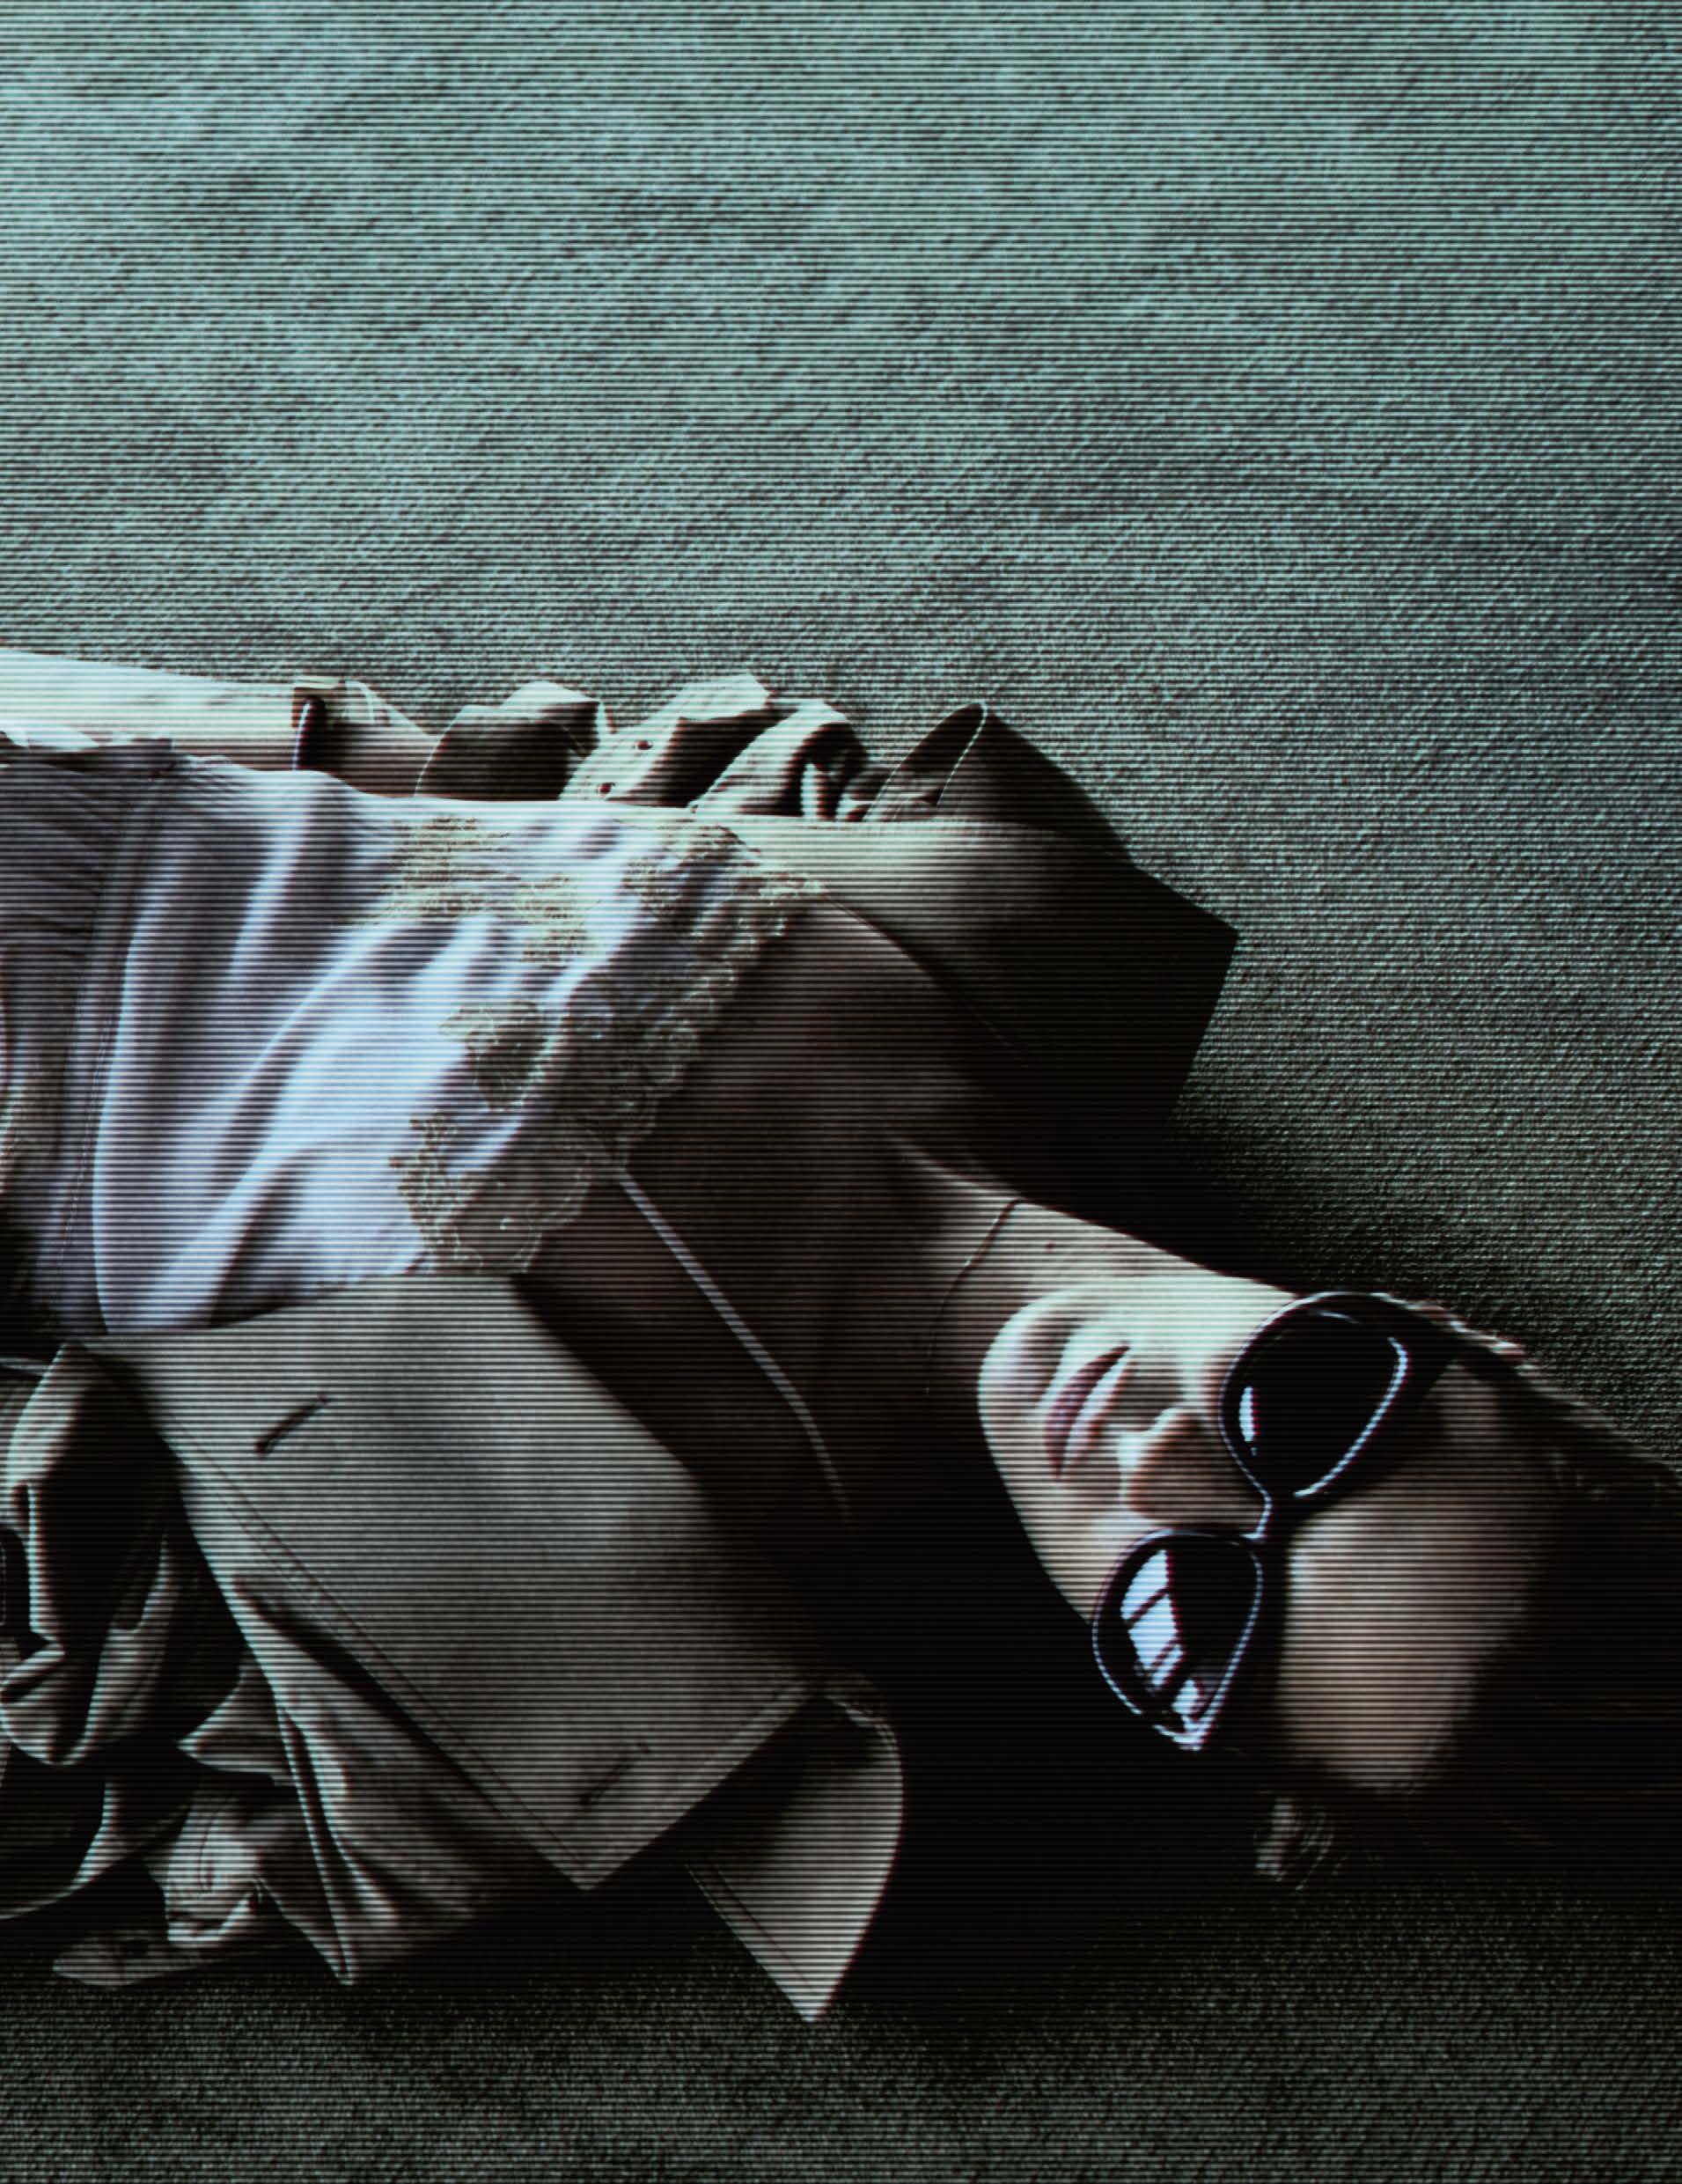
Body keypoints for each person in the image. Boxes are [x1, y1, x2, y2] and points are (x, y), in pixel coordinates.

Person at [0, 648, 1673, 2015]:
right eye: (1312, 1415)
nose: (1159, 1463)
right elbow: (426, 796)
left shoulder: (656, 1565)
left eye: (1193, 1609)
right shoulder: (1032, 952)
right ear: (1444, 1326)